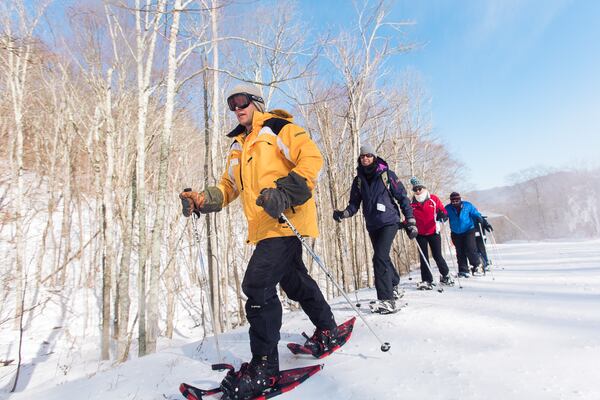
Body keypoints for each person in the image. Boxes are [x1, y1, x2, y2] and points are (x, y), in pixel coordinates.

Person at [179, 83, 343, 400]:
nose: (237, 108)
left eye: (242, 102)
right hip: (263, 225)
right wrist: (202, 199)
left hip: (287, 218)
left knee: (256, 285)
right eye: (231, 105)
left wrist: (284, 192)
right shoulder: (239, 145)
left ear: (256, 102)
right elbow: (229, 185)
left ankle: (264, 369)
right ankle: (327, 328)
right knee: (293, 281)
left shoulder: (278, 128)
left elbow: (312, 158)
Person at [332, 144, 416, 314]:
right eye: (362, 156)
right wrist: (344, 214)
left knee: (379, 257)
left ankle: (386, 300)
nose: (365, 159)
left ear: (374, 157)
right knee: (382, 257)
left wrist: (411, 220)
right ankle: (393, 283)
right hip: (372, 224)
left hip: (389, 221)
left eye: (368, 156)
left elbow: (403, 197)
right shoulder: (358, 180)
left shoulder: (387, 175)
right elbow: (354, 204)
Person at [409, 177, 454, 290]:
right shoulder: (412, 203)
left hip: (433, 231)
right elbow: (409, 217)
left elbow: (443, 211)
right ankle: (427, 280)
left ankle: (445, 275)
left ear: (424, 188)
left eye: (419, 188)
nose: (418, 191)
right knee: (423, 257)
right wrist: (405, 225)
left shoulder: (433, 199)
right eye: (415, 189)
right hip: (420, 234)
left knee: (437, 255)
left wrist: (443, 215)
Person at [445, 192, 487, 277]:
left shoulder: (467, 205)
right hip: (456, 232)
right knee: (460, 252)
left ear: (460, 199)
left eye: (457, 200)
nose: (455, 202)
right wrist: (442, 216)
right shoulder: (448, 208)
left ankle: (477, 267)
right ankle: (463, 270)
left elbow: (475, 213)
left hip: (469, 230)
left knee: (471, 249)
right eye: (453, 201)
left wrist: (478, 218)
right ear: (451, 201)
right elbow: (444, 215)